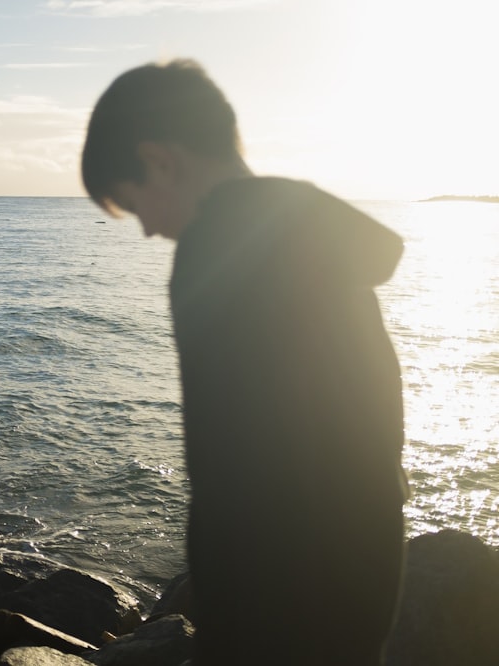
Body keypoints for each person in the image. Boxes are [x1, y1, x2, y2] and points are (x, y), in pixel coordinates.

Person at [81, 59, 409, 665]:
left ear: (160, 160)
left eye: (135, 204)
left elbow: (229, 461)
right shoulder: (314, 233)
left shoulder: (212, 251)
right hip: (366, 555)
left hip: (276, 588)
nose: (149, 230)